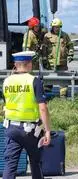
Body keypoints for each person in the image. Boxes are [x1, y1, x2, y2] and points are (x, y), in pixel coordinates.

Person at [2, 51, 51, 179]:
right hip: (30, 131)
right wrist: (47, 131)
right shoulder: (34, 81)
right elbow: (43, 108)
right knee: (35, 162)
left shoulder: (7, 81)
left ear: (16, 65)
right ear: (29, 64)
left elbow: (6, 103)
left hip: (11, 128)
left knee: (10, 164)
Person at [44, 18, 74, 97]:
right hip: (50, 63)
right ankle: (48, 97)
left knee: (63, 81)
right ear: (52, 27)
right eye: (55, 27)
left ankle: (63, 96)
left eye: (58, 27)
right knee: (48, 80)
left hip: (62, 62)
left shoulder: (64, 35)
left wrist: (71, 54)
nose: (57, 28)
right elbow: (44, 49)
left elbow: (70, 45)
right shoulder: (47, 36)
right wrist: (44, 59)